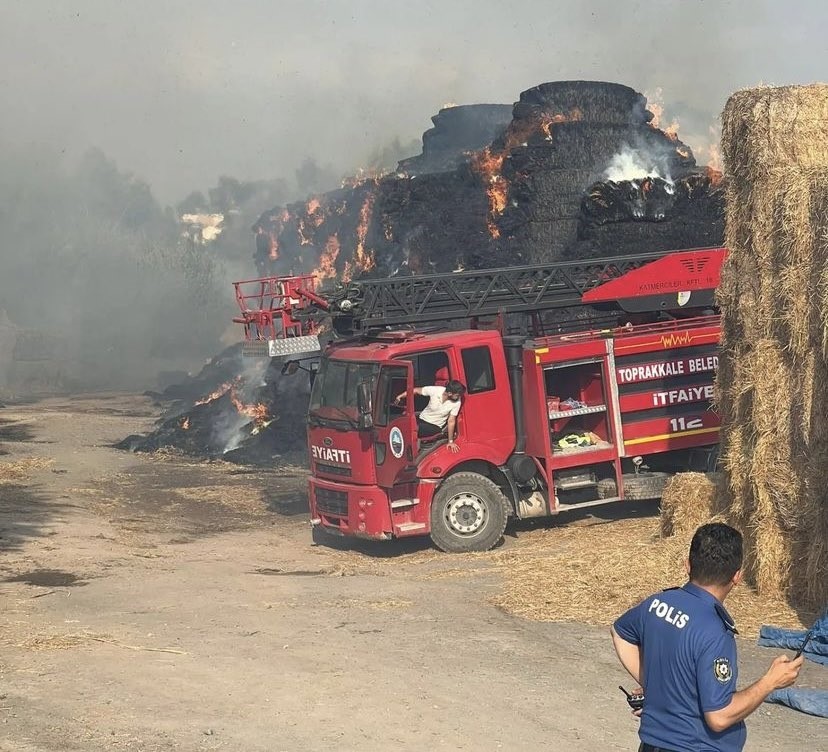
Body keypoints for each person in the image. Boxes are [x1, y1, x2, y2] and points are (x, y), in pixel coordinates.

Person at [611, 522, 803, 752]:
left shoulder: (656, 604)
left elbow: (620, 633)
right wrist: (770, 681)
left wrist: (658, 688)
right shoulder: (715, 632)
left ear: (687, 565)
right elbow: (719, 717)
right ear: (737, 577)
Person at [395, 379, 465, 453]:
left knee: (413, 428)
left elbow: (451, 421)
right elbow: (416, 390)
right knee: (402, 422)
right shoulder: (436, 390)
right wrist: (400, 396)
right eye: (457, 395)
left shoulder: (457, 402)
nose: (458, 397)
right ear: (450, 393)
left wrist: (450, 441)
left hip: (435, 426)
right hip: (421, 419)